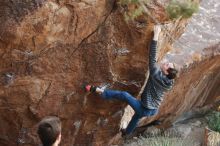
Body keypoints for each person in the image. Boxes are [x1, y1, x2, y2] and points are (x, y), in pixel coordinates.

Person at [84, 25, 178, 136]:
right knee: (136, 117)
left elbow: (152, 57)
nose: (165, 63)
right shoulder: (169, 82)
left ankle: (100, 91)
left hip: (146, 108)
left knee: (124, 95)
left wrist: (156, 36)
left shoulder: (156, 75)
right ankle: (127, 133)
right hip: (152, 109)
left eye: (167, 65)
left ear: (166, 72)